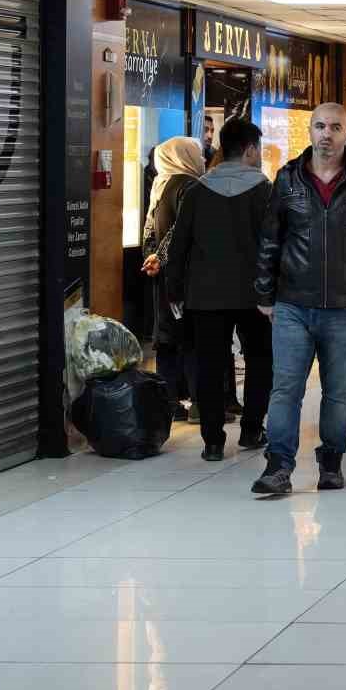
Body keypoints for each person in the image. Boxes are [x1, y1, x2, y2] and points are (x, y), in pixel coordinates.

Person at [251, 103, 346, 496]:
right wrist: (264, 294)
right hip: (292, 303)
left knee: (338, 392)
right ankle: (278, 467)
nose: (326, 134)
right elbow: (270, 239)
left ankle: (331, 461)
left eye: (336, 127)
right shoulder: (287, 179)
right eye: (320, 126)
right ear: (309, 131)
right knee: (285, 389)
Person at [165, 119, 273, 461]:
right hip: (255, 296)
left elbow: (178, 246)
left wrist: (174, 291)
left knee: (210, 365)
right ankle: (252, 429)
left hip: (205, 295)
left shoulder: (197, 191)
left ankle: (212, 440)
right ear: (251, 149)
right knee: (260, 361)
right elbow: (276, 245)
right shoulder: (264, 191)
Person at [141, 136, 206, 422]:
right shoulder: (190, 186)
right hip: (186, 275)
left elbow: (149, 230)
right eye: (198, 154)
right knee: (193, 339)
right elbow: (183, 230)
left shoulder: (160, 184)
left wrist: (152, 258)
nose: (202, 160)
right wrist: (163, 257)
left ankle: (168, 403)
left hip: (162, 278)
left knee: (166, 339)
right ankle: (200, 405)